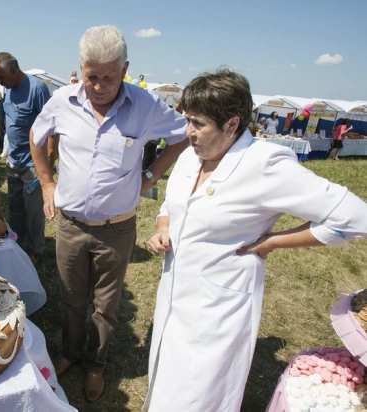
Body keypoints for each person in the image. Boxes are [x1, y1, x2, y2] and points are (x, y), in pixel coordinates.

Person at [143, 68, 367, 412]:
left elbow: (352, 217)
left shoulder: (265, 166)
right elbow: (172, 203)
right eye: (187, 120)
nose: (188, 132)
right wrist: (162, 227)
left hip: (218, 304)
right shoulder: (191, 156)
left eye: (198, 124)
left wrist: (273, 242)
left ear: (232, 124)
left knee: (198, 393)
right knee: (167, 379)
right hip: (174, 294)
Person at [29, 25, 189, 402]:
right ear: (81, 69)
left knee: (106, 303)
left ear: (125, 68)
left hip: (117, 230)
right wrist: (47, 182)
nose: (99, 86)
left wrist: (151, 176)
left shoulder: (146, 105)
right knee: (70, 295)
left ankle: (96, 363)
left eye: (109, 78)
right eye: (91, 77)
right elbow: (37, 138)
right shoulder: (62, 101)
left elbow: (180, 137)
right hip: (69, 225)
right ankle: (69, 353)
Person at [0, 52, 52, 263]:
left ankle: (36, 249)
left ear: (14, 71)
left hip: (34, 165)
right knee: (15, 206)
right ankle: (16, 243)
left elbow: (52, 127)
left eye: (0, 77)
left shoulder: (37, 89)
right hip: (14, 162)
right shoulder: (7, 90)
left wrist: (49, 162)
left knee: (34, 210)